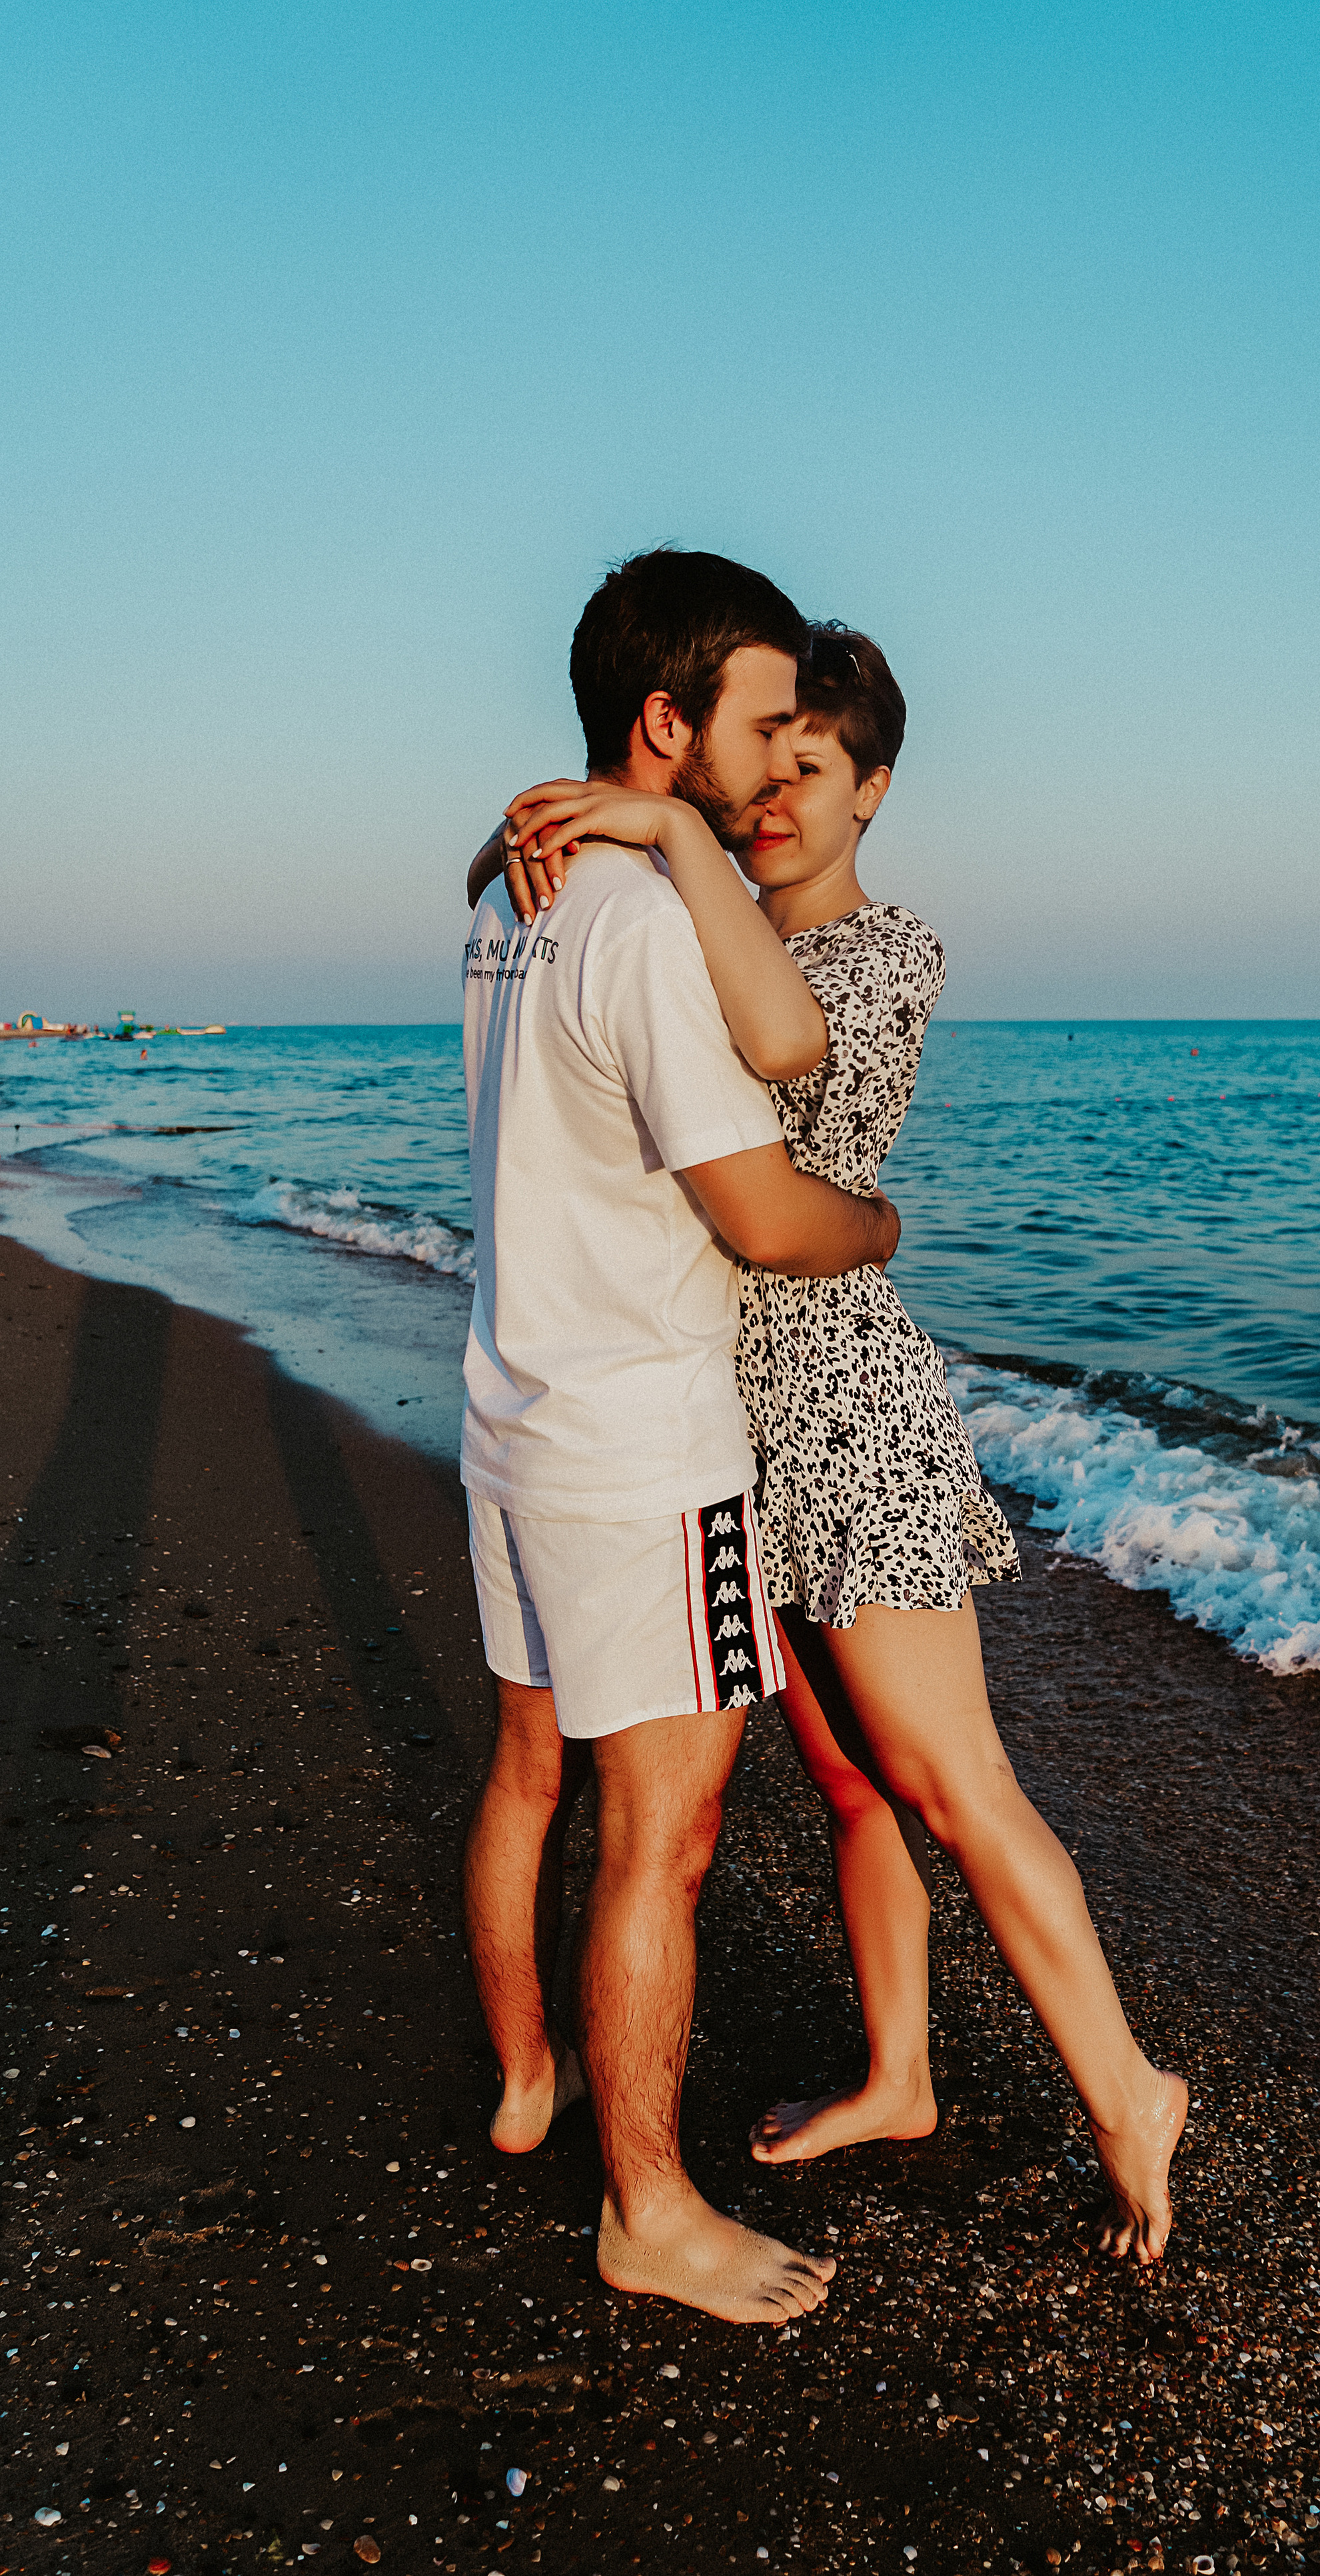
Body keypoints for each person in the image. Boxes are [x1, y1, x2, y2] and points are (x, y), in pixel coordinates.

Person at [482, 624, 1189, 2264]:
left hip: (841, 1415)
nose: (776, 800)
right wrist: (614, 829)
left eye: (813, 772)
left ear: (872, 788)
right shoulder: (683, 921)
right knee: (853, 1786)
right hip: (728, 1420)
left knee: (953, 1781)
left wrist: (652, 826)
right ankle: (900, 2075)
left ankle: (1122, 2084)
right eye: (762, 768)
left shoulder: (883, 956)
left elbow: (778, 1086)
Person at [460, 549, 902, 2327]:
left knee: (526, 1776)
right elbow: (765, 1211)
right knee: (667, 1832)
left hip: (513, 1410)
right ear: (668, 723)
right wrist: (878, 1231)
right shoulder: (640, 916)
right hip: (643, 1453)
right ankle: (645, 2204)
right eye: (762, 719)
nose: (783, 757)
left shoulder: (515, 883)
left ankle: (524, 2083)